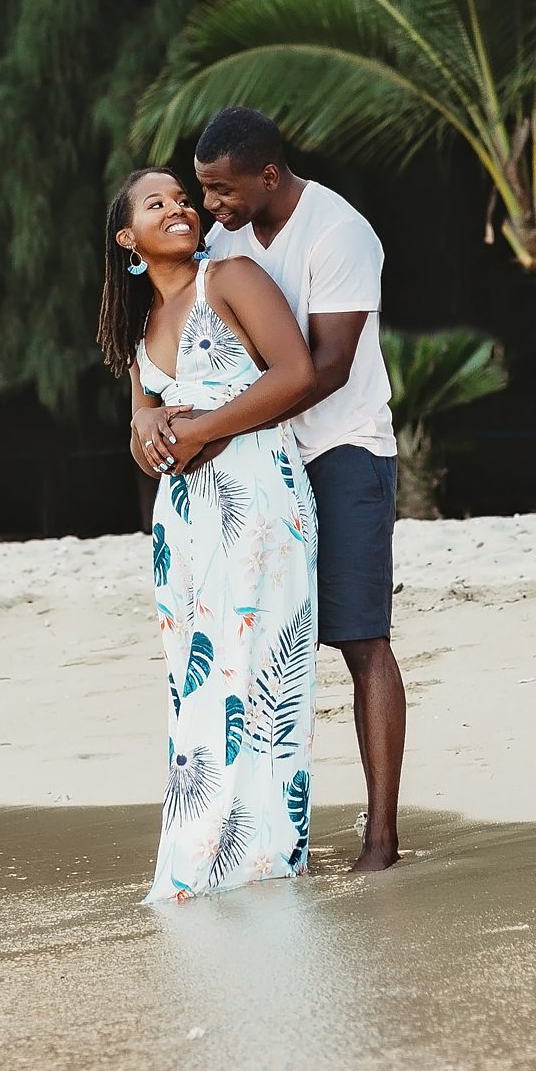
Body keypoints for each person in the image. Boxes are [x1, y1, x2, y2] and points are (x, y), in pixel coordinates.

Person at [141, 107, 406, 876]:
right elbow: (187, 336)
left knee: (360, 640)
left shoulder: (338, 232)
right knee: (253, 647)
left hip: (343, 449)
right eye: (201, 190)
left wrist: (211, 431)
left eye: (221, 190)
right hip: (260, 466)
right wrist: (150, 413)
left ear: (267, 175)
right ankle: (254, 832)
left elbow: (324, 367)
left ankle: (380, 837)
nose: (208, 205)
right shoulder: (225, 239)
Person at [104, 164, 323, 902]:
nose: (179, 207)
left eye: (181, 197)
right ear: (128, 239)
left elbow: (294, 374)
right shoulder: (139, 328)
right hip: (184, 521)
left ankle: (260, 856)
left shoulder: (228, 279)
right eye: (156, 203)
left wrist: (199, 430)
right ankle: (202, 851)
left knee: (260, 668)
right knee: (195, 679)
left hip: (258, 494)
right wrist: (147, 429)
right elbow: (144, 447)